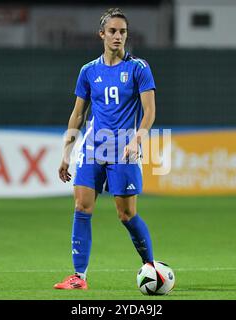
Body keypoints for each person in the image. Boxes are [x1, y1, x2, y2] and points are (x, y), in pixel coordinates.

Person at [54, 8, 157, 290]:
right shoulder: (88, 71)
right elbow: (77, 114)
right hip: (92, 149)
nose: (117, 36)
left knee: (126, 215)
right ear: (102, 34)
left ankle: (151, 267)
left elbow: (149, 111)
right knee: (81, 206)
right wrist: (66, 153)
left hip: (124, 150)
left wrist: (139, 137)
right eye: (112, 31)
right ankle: (79, 276)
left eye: (122, 32)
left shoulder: (139, 68)